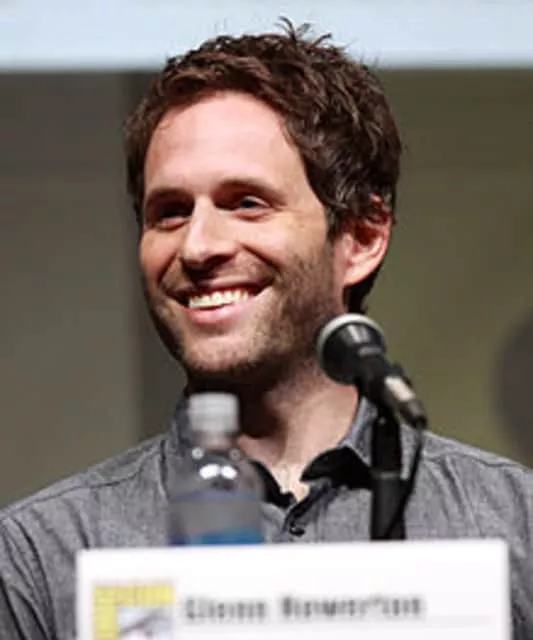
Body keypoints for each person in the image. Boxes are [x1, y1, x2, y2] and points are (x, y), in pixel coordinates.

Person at [0, 20, 531, 640]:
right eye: (169, 212)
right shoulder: (43, 556)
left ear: (361, 237)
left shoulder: (514, 527)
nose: (197, 246)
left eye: (246, 203)